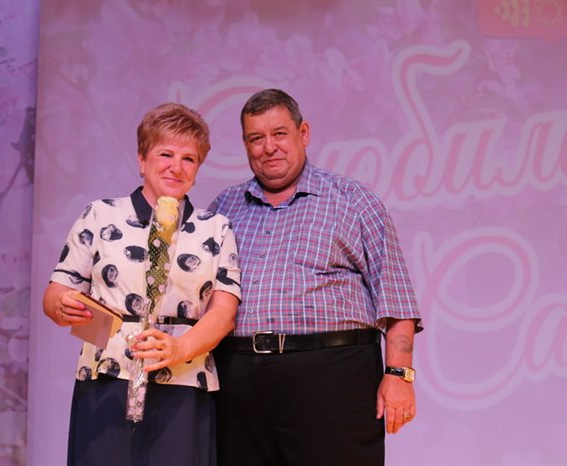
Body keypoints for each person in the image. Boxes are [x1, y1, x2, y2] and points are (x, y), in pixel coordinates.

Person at [209, 89, 422, 466]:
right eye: (256, 138)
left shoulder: (353, 200)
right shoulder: (224, 208)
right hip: (238, 380)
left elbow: (396, 298)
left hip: (332, 377)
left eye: (279, 133)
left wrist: (398, 375)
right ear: (245, 144)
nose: (269, 147)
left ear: (303, 133)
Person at [43, 103, 241, 466]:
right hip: (106, 378)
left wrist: (180, 349)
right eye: (165, 154)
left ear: (198, 169)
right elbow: (55, 293)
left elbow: (224, 313)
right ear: (142, 160)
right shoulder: (100, 215)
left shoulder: (216, 228)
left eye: (189, 159)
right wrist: (62, 306)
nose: (176, 167)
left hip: (184, 382)